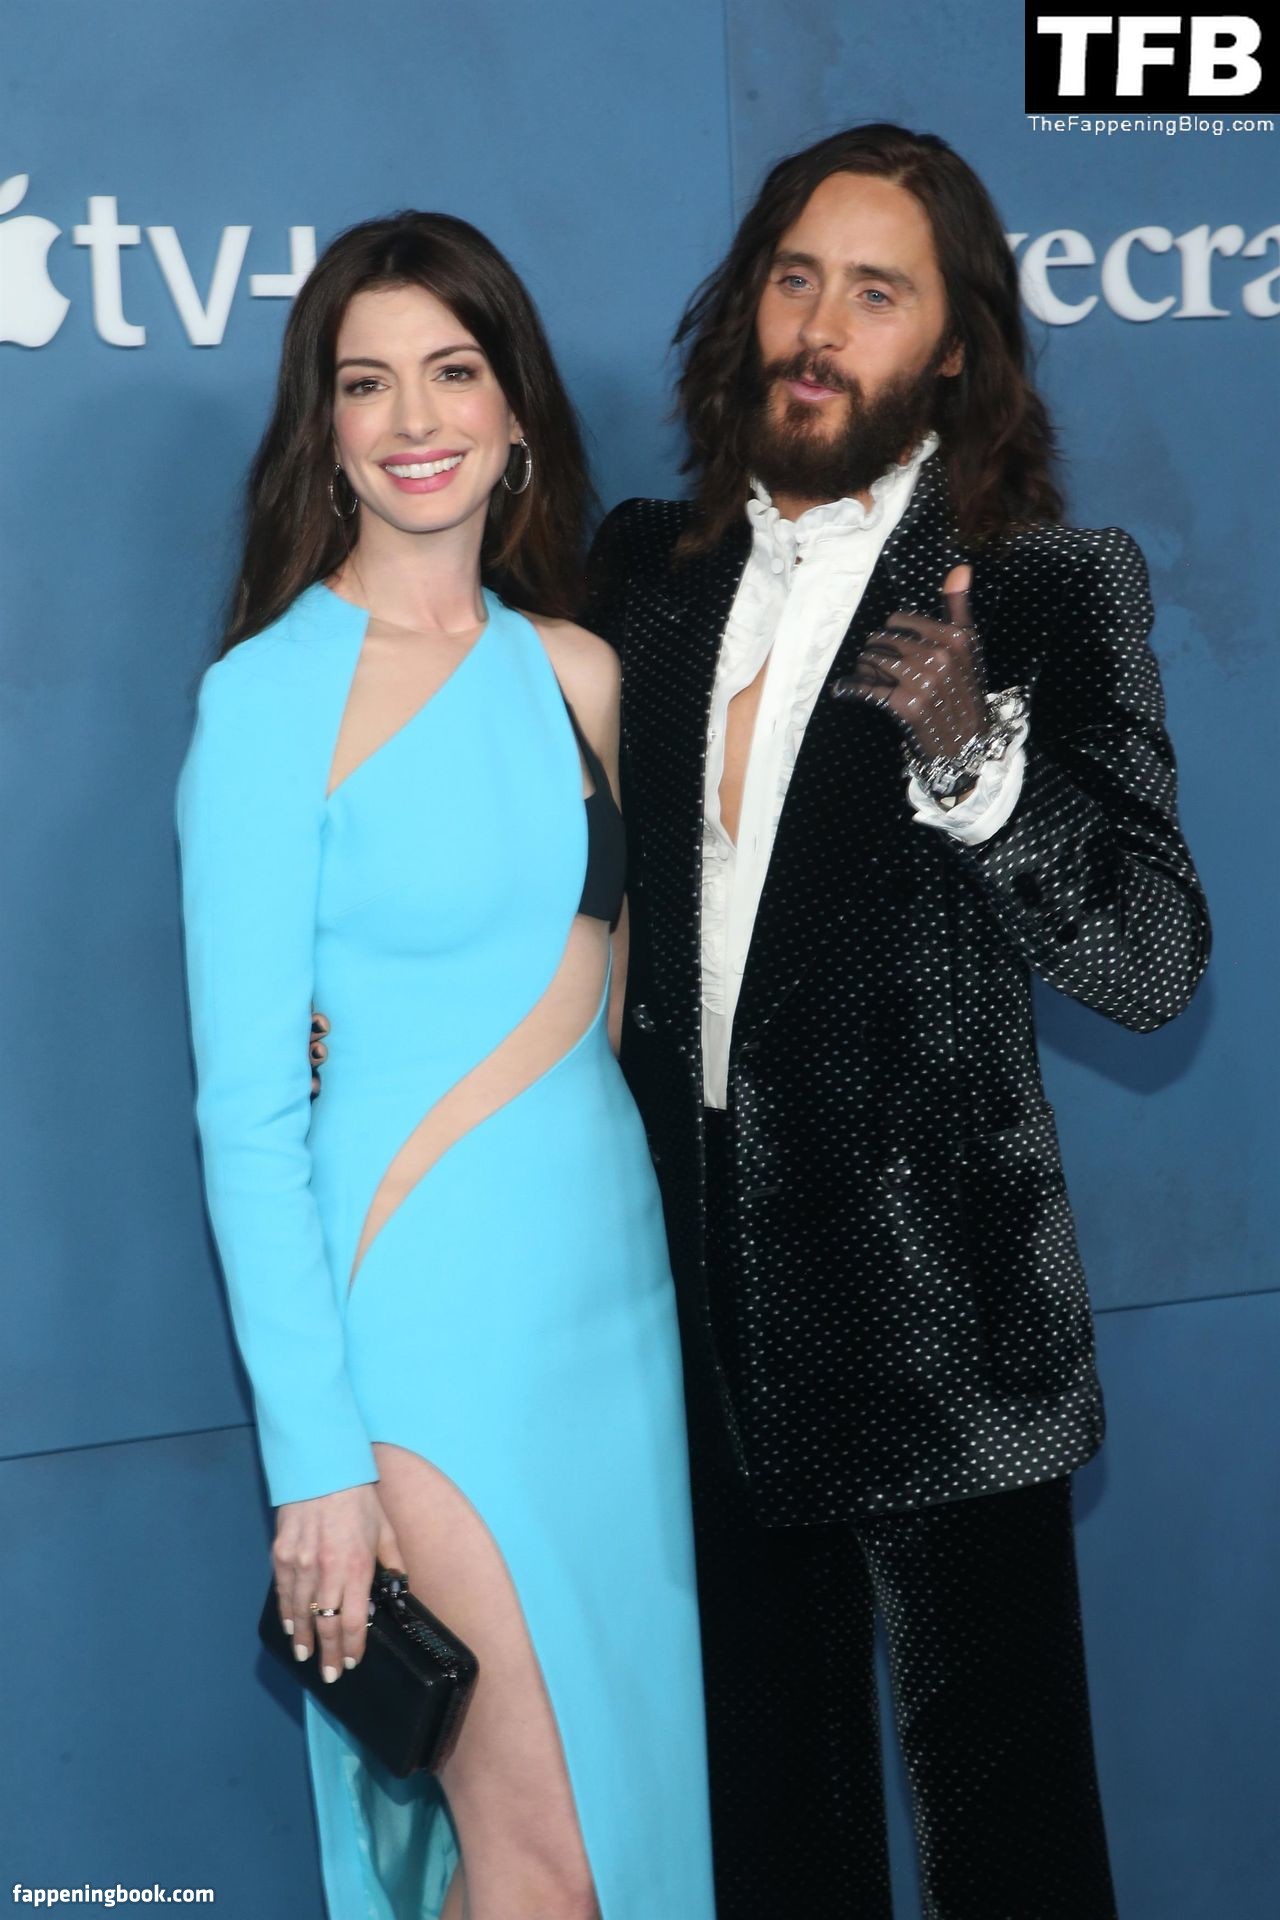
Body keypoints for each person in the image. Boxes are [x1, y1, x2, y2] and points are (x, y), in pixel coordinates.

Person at [583, 124, 1211, 1918]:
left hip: (943, 1326)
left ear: (951, 347)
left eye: (875, 292)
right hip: (691, 1313)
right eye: (795, 278)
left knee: (1010, 1855)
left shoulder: (1044, 584)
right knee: (771, 1839)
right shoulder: (643, 570)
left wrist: (978, 765)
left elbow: (1153, 961)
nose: (818, 326)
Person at [175, 210, 716, 1920]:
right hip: (419, 1334)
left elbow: (602, 1022)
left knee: (624, 1848)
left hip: (609, 1321)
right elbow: (247, 1116)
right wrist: (316, 1464)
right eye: (366, 383)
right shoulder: (268, 701)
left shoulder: (580, 674)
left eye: (452, 370)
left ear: (515, 409)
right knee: (547, 1866)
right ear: (325, 430)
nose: (414, 418)